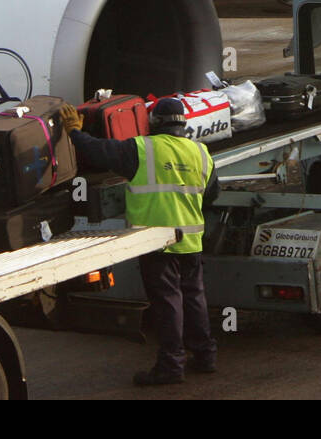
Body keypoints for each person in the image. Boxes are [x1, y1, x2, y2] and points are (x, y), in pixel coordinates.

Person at [58, 103, 218, 387]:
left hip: (156, 241)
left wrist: (74, 132)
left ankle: (171, 366)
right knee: (194, 297)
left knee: (168, 302)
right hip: (191, 238)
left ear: (154, 122)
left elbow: (98, 150)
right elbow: (212, 194)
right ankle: (205, 356)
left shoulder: (142, 149)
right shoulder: (200, 153)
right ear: (182, 124)